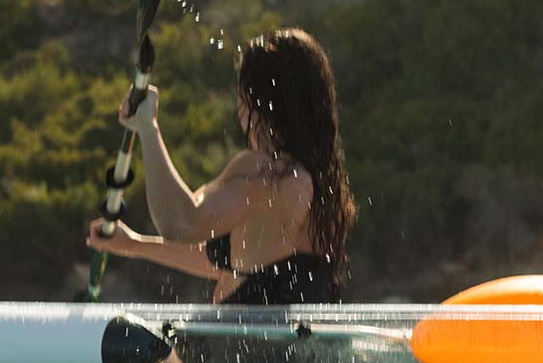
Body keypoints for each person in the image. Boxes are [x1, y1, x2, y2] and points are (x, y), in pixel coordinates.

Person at [84, 27, 354, 306]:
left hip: (236, 346)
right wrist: (134, 245)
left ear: (254, 100)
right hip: (291, 345)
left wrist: (148, 128)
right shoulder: (321, 189)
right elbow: (234, 264)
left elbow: (180, 222)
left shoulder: (265, 172)